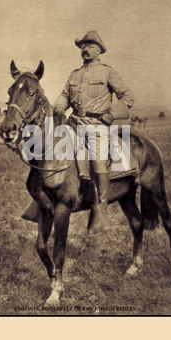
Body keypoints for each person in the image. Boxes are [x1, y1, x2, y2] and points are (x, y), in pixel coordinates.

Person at [53, 31, 134, 234]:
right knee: (50, 153)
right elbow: (64, 95)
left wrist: (111, 115)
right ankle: (44, 201)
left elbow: (128, 97)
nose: (85, 49)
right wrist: (60, 106)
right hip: (74, 123)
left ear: (99, 50)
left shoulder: (108, 73)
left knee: (98, 161)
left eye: (89, 45)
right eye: (82, 46)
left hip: (98, 125)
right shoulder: (74, 74)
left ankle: (101, 209)